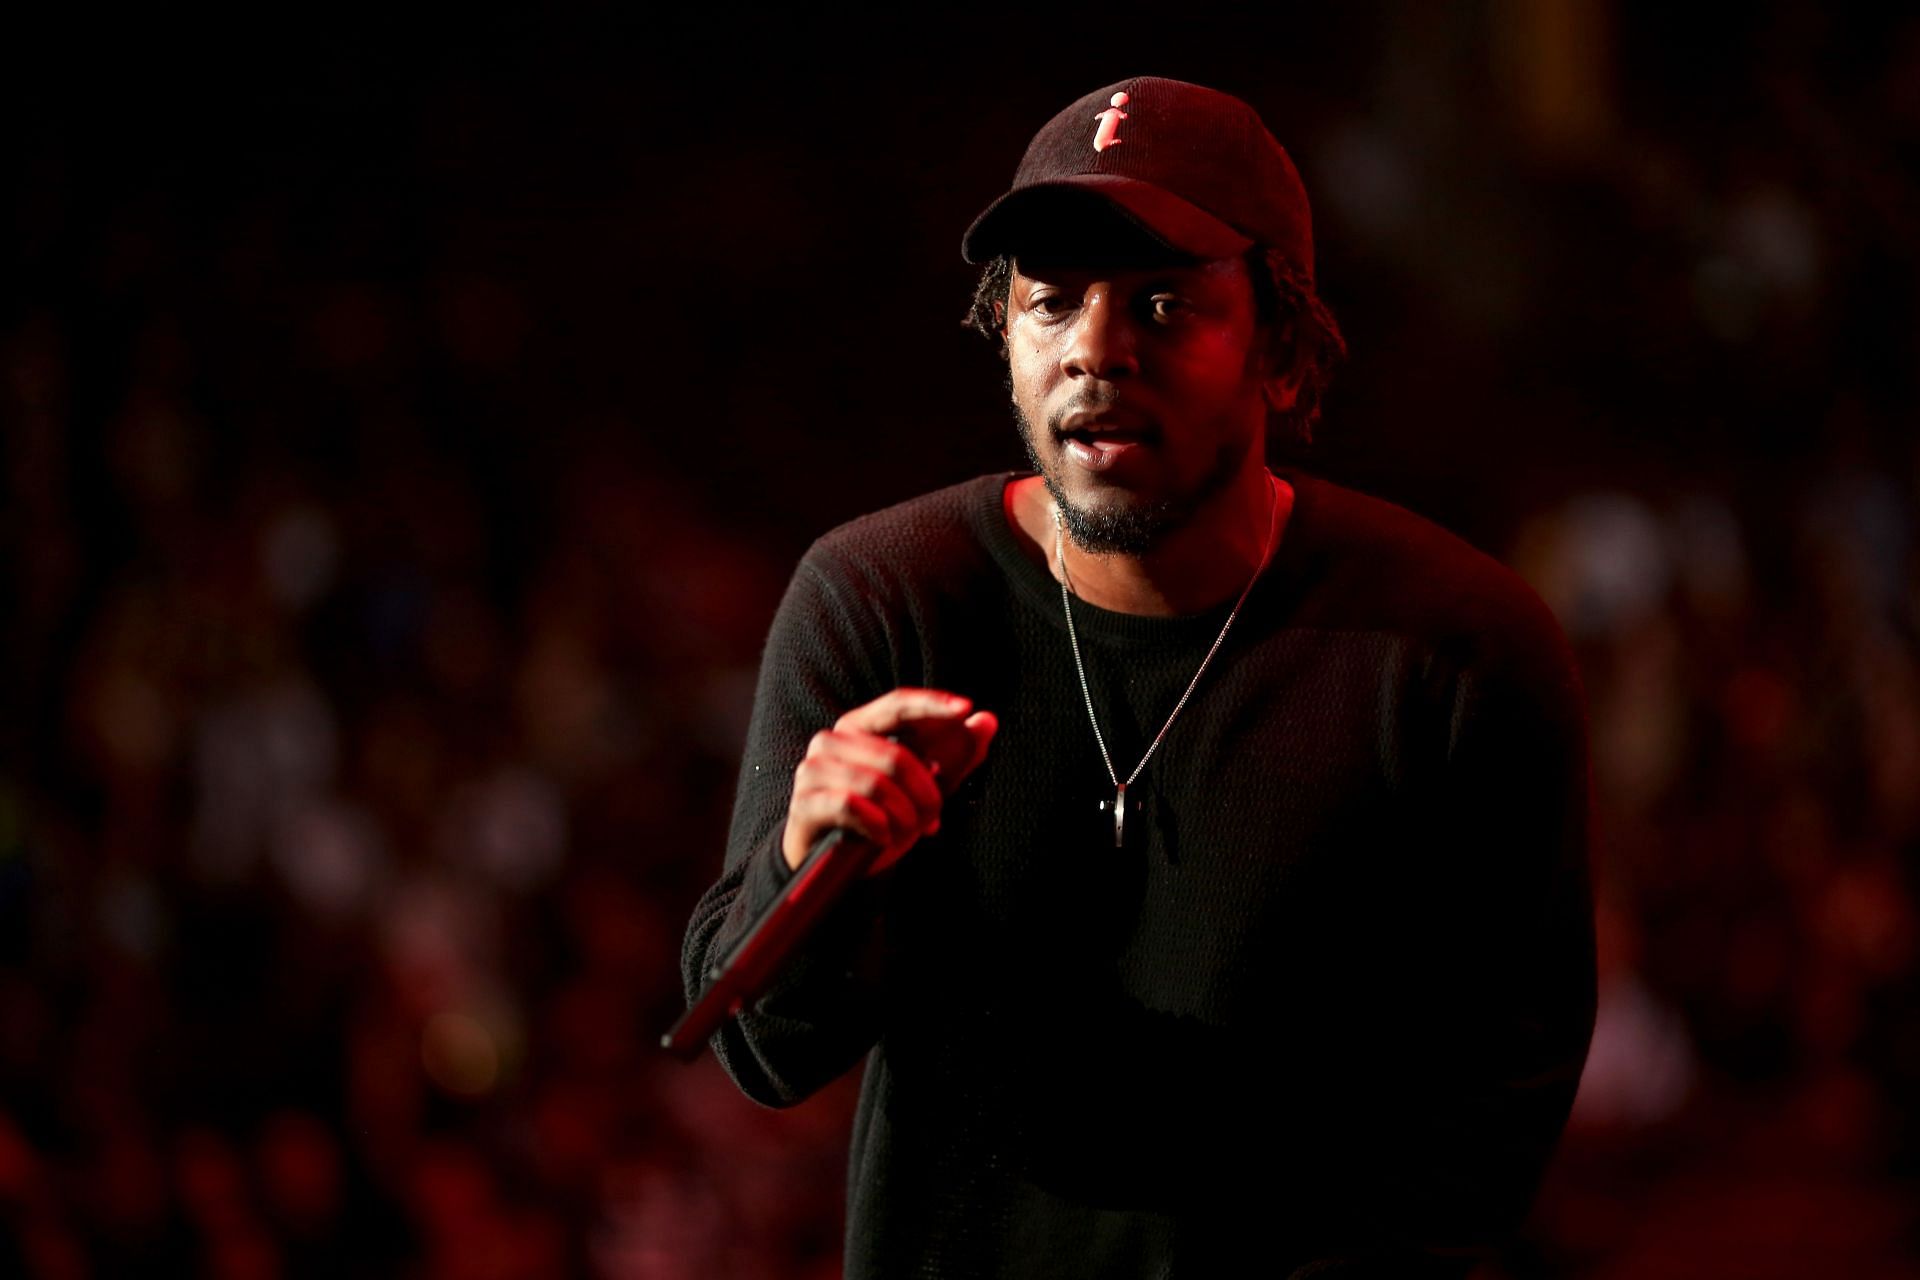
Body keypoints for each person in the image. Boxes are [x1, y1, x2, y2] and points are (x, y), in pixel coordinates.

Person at [681, 76, 1597, 1279]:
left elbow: (1492, 1128)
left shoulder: (1457, 653)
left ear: (1278, 343)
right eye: (1050, 304)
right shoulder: (882, 599)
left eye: (1162, 305)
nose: (1095, 352)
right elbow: (760, 1051)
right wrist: (816, 867)